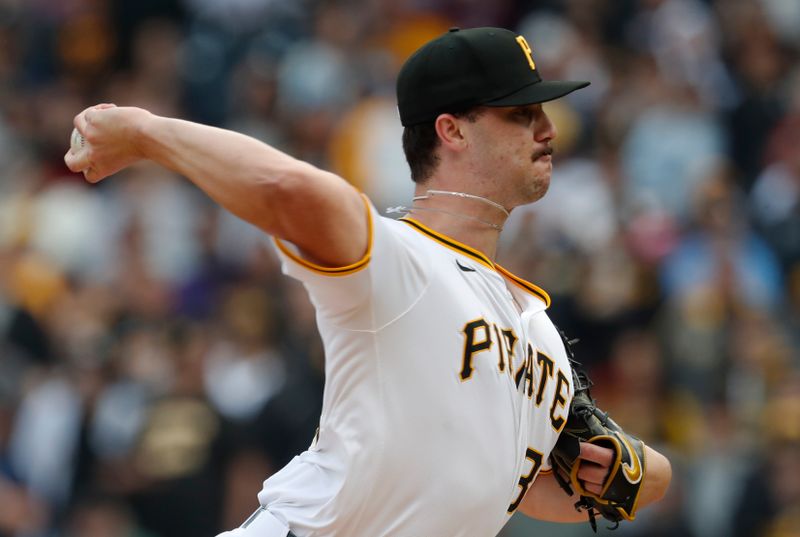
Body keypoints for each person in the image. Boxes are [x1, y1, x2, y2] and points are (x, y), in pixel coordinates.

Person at [65, 26, 671, 537]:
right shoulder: (399, 258)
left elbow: (535, 491)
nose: (547, 129)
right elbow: (289, 191)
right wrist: (144, 132)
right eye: (521, 113)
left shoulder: (540, 335)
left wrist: (632, 470)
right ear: (452, 130)